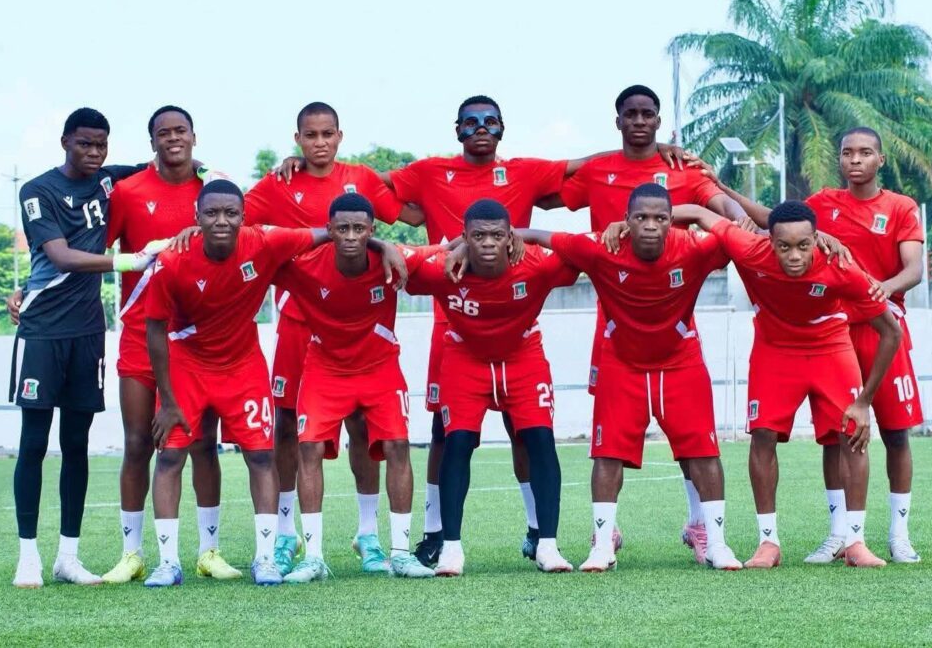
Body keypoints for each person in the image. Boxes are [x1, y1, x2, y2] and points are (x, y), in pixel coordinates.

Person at [278, 95, 684, 566]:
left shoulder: (525, 177)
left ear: (502, 127)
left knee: (526, 433)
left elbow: (582, 173)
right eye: (470, 122)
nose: (480, 128)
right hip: (453, 329)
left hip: (515, 328)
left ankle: (539, 533)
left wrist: (648, 153)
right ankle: (436, 535)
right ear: (457, 130)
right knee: (447, 434)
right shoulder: (430, 173)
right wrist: (311, 170)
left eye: (490, 121)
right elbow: (370, 188)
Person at [696, 128, 926, 564]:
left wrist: (879, 289)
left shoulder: (900, 207)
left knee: (895, 433)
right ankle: (840, 535)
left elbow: (914, 269)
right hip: (833, 326)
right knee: (833, 437)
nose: (855, 159)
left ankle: (899, 535)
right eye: (847, 152)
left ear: (880, 159)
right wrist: (724, 188)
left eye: (865, 152)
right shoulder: (820, 205)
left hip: (876, 322)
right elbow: (778, 219)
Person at [556, 84, 752, 563]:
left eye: (648, 114)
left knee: (693, 437)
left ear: (659, 121)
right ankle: (605, 535)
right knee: (610, 438)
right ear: (619, 120)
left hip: (671, 311)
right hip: (615, 319)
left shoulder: (683, 169)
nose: (640, 121)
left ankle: (702, 527)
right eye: (631, 114)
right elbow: (545, 196)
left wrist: (719, 216)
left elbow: (727, 212)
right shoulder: (598, 170)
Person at [517, 183, 743, 571]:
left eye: (660, 218)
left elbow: (740, 231)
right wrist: (465, 244)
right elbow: (539, 234)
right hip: (622, 363)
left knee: (704, 452)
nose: (650, 225)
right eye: (641, 217)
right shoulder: (600, 247)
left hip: (680, 362)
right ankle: (603, 544)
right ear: (626, 221)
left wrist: (698, 212)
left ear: (671, 222)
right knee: (607, 454)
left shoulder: (693, 247)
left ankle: (718, 544)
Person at [244, 102, 424, 575]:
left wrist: (384, 243)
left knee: (364, 427)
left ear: (339, 136)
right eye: (311, 135)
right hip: (299, 320)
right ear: (298, 138)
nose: (319, 142)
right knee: (288, 426)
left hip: (355, 325)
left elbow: (397, 221)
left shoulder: (360, 178)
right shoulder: (279, 181)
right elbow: (238, 223)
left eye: (327, 134)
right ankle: (287, 535)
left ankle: (368, 535)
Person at [675, 201, 901, 568]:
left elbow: (891, 332)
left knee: (852, 434)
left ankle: (855, 542)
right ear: (770, 242)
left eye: (803, 245)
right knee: (763, 435)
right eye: (784, 246)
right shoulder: (749, 249)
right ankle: (768, 543)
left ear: (817, 240)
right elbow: (701, 214)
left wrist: (864, 401)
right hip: (775, 350)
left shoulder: (841, 266)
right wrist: (627, 223)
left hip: (830, 346)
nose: (794, 255)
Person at [10, 107, 163, 588]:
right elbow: (58, 256)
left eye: (101, 145)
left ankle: (68, 557)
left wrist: (213, 173)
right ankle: (28, 556)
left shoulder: (109, 180)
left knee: (76, 444)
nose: (94, 153)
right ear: (65, 142)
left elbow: (169, 162)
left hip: (88, 333)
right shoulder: (37, 191)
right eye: (84, 144)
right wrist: (129, 261)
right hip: (41, 329)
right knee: (34, 442)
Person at [143, 179, 316, 586]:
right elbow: (154, 329)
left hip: (243, 367)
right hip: (188, 365)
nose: (221, 220)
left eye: (230, 213)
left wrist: (381, 246)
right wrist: (167, 400)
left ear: (243, 216)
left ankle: (265, 559)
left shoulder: (264, 242)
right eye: (211, 213)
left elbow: (330, 233)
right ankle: (168, 562)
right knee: (169, 457)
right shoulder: (172, 260)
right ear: (196, 217)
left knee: (261, 457)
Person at [406, 199, 580, 576]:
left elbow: (581, 251)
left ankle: (548, 545)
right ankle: (451, 547)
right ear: (465, 237)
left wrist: (528, 235)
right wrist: (448, 248)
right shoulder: (444, 268)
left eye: (497, 235)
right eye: (478, 236)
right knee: (457, 442)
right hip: (465, 357)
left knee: (540, 440)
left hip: (523, 355)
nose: (488, 243)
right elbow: (400, 261)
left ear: (509, 237)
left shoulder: (535, 263)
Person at [273, 194, 439, 582]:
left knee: (397, 445)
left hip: (379, 368)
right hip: (325, 367)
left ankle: (400, 553)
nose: (351, 236)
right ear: (328, 230)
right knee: (308, 447)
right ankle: (313, 557)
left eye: (360, 229)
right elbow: (256, 251)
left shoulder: (393, 260)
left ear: (372, 230)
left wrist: (389, 247)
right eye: (342, 229)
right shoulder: (305, 264)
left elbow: (444, 250)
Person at [97, 106, 232, 583]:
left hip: (196, 341)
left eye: (180, 131)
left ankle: (209, 551)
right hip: (140, 334)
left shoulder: (213, 190)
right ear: (151, 141)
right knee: (138, 443)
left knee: (203, 444)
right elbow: (96, 252)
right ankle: (132, 554)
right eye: (163, 133)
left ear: (194, 136)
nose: (173, 138)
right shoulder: (129, 192)